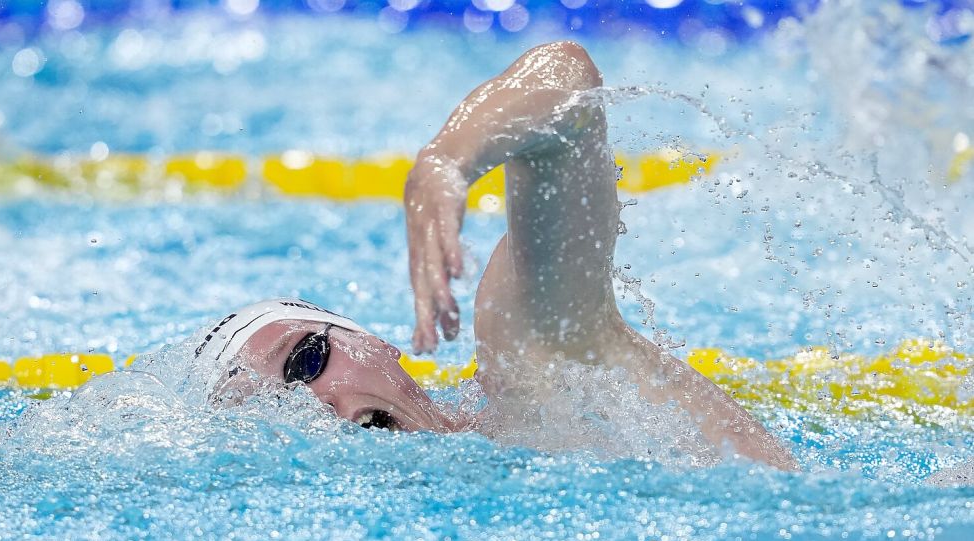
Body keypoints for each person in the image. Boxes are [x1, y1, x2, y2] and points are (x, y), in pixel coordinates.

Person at [200, 42, 798, 471]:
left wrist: (446, 157)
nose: (315, 405)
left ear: (375, 345)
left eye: (305, 360)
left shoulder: (537, 370)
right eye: (274, 409)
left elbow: (569, 85)